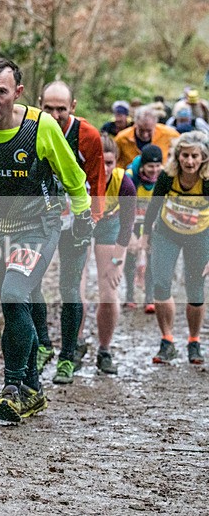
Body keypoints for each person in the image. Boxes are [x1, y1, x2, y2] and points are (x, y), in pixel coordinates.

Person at [0, 58, 91, 423]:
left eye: (1, 92)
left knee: (14, 293)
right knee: (15, 302)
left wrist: (84, 216)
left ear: (18, 94)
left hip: (40, 224)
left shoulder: (39, 126)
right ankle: (34, 390)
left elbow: (72, 176)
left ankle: (12, 386)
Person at [34, 81, 106, 384]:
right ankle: (43, 345)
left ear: (72, 107)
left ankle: (67, 356)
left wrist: (92, 219)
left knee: (69, 286)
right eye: (48, 108)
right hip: (41, 218)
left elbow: (97, 180)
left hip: (76, 218)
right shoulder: (30, 128)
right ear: (39, 104)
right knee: (29, 281)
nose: (54, 114)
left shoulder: (87, 135)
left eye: (61, 109)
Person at [141, 131, 209, 365]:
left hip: (199, 235)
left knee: (196, 289)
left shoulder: (207, 181)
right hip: (167, 233)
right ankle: (167, 341)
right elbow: (154, 206)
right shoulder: (168, 177)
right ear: (178, 157)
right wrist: (145, 236)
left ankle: (194, 341)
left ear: (204, 158)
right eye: (185, 156)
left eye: (195, 156)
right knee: (160, 283)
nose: (190, 162)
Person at [75, 136, 136, 374]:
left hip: (110, 225)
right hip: (81, 223)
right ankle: (76, 344)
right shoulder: (79, 176)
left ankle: (105, 349)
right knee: (74, 292)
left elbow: (128, 225)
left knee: (109, 293)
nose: (104, 169)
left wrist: (117, 261)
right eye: (100, 163)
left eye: (109, 163)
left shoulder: (125, 184)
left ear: (117, 163)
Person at [123, 144, 164, 313]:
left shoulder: (164, 176)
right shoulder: (130, 176)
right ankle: (130, 295)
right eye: (150, 166)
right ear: (142, 166)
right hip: (131, 218)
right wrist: (131, 234)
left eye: (157, 166)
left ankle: (149, 297)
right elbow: (123, 207)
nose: (154, 170)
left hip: (152, 219)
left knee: (151, 254)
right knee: (132, 252)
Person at [114, 105, 179, 169]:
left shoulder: (169, 134)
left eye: (149, 131)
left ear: (155, 124)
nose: (145, 135)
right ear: (135, 124)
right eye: (141, 130)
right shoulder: (121, 138)